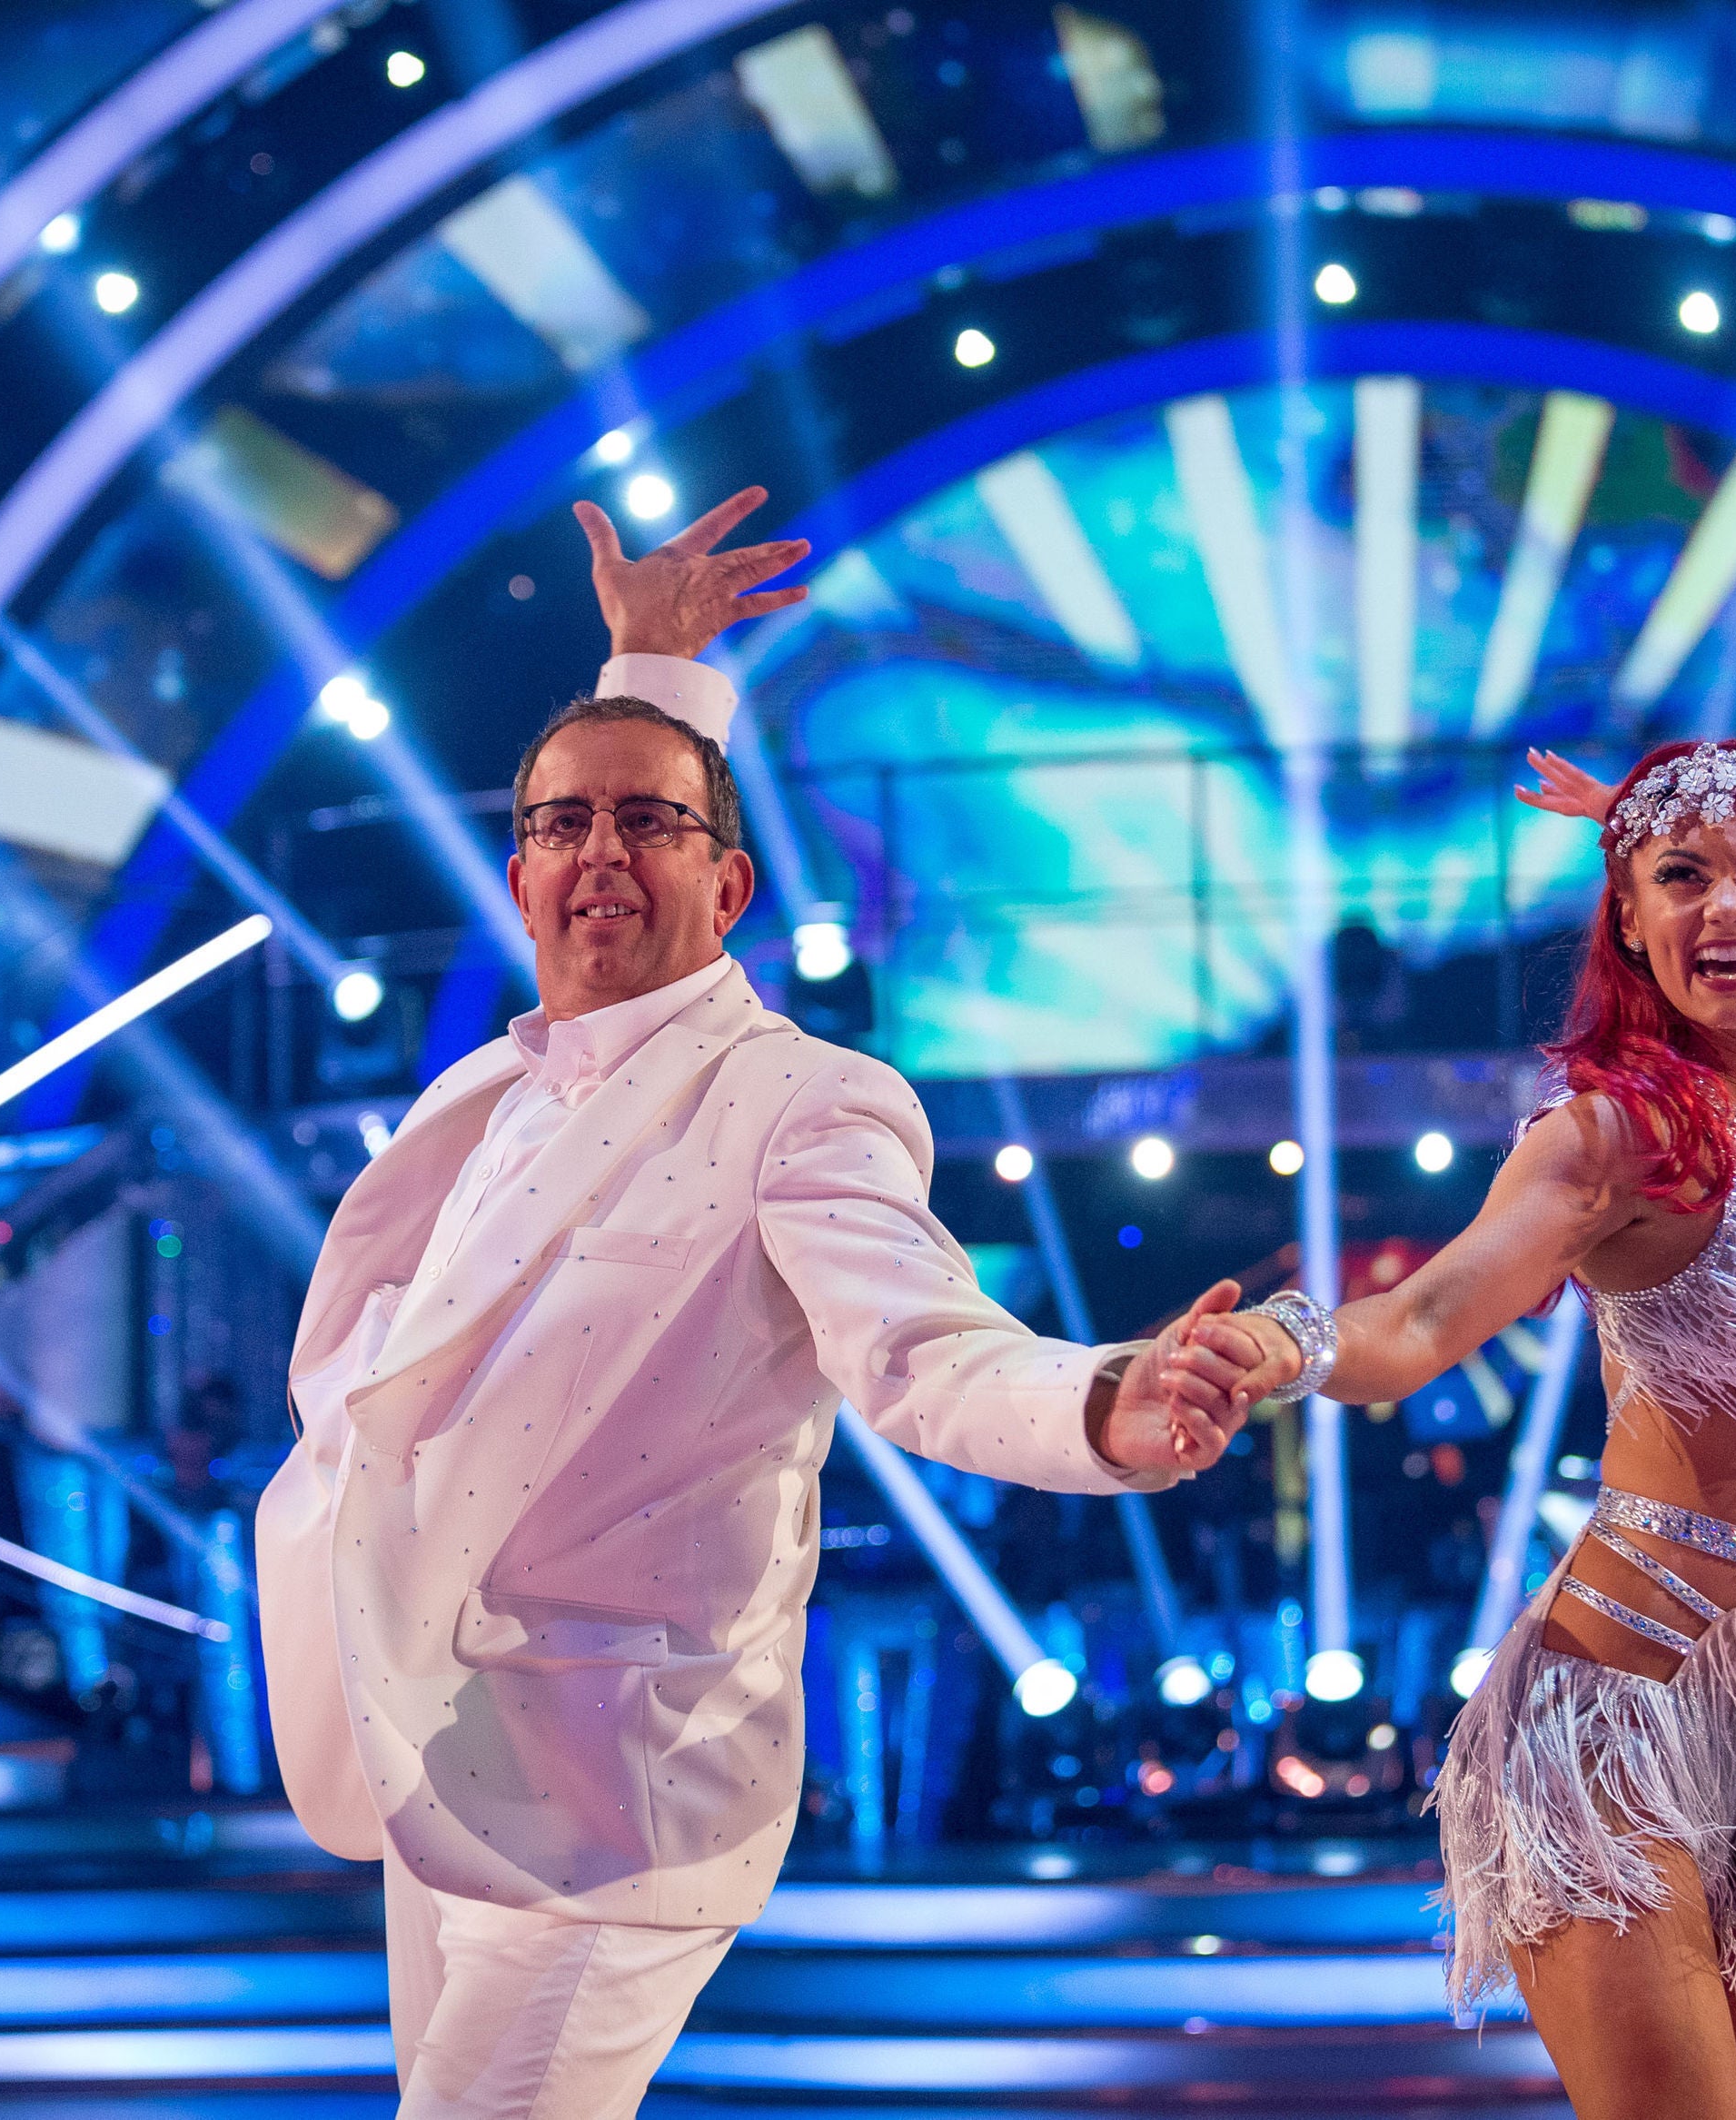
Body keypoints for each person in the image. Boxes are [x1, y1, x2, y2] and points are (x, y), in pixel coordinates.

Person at [256, 487, 1263, 2118]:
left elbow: (923, 1347)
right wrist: (647, 666)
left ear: (730, 895)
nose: (601, 853)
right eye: (563, 824)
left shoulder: (803, 1101)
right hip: (434, 1735)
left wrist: (1097, 1401)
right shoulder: (487, 1100)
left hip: (614, 1788)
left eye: (651, 827)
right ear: (515, 875)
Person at [1220, 739, 1736, 2120]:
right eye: (1682, 884)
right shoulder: (1618, 1138)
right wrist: (1278, 1341)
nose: (1727, 908)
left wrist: (1658, 822)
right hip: (1616, 1725)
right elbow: (1416, 1323)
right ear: (1629, 923)